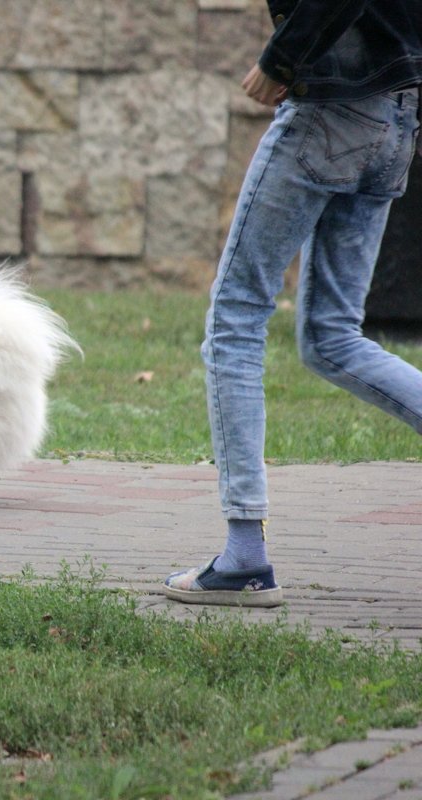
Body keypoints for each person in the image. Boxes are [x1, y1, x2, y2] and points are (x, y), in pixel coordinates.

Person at [164, 0, 422, 607]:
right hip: (398, 112)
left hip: (332, 108)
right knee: (332, 337)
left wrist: (282, 60)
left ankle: (243, 561)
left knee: (236, 318)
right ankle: (242, 559)